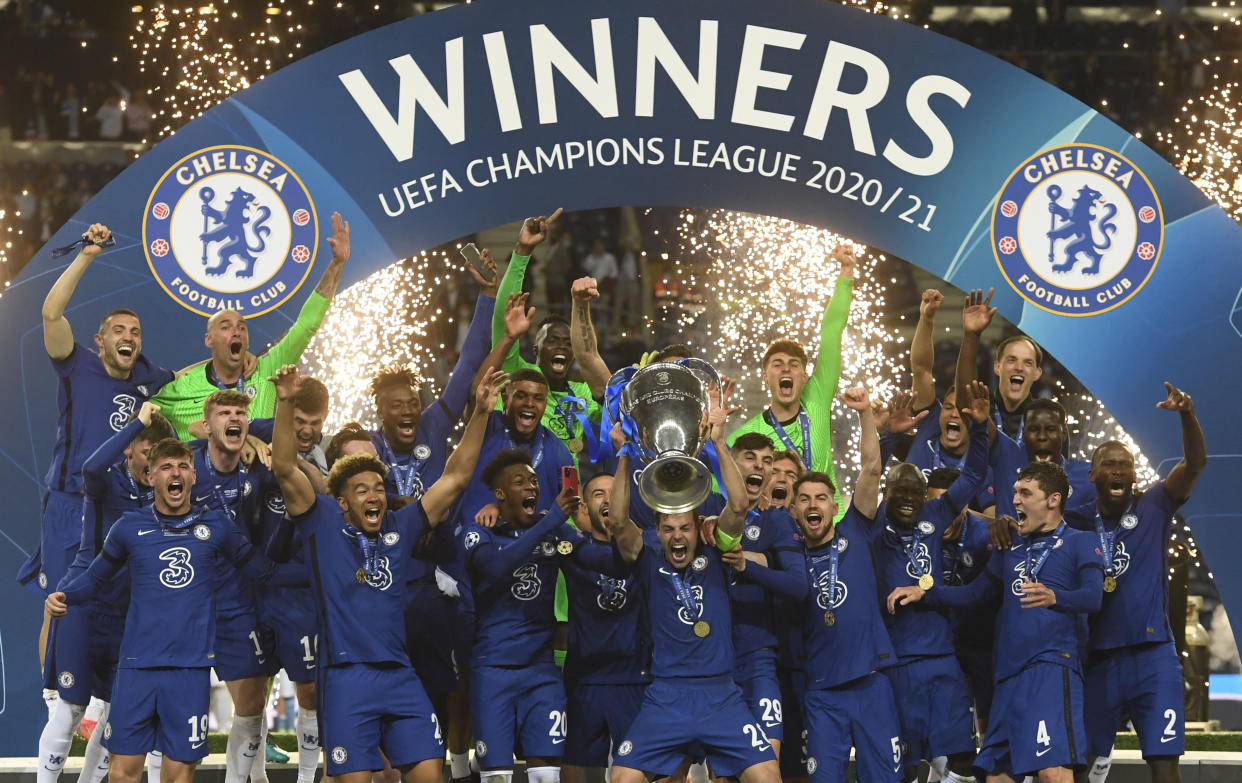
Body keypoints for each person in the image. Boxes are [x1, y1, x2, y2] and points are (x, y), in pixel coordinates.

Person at [268, 364, 507, 783]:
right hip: (346, 678)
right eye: (361, 490)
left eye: (378, 487)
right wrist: (286, 401)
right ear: (341, 501)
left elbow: (455, 476)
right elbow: (285, 467)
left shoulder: (402, 526)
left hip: (400, 674)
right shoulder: (321, 521)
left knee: (429, 775)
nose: (374, 495)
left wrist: (481, 413)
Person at [45, 438, 279, 783]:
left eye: (183, 466)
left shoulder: (216, 526)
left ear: (194, 476)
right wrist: (65, 596)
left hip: (190, 670)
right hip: (136, 668)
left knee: (178, 777)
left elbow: (262, 570)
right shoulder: (127, 527)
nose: (176, 473)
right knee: (123, 774)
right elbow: (96, 577)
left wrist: (313, 575)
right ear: (151, 476)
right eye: (167, 467)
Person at [29, 222, 174, 711]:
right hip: (69, 504)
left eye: (134, 332)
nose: (128, 337)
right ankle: (56, 701)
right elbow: (50, 312)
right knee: (62, 599)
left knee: (115, 599)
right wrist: (87, 256)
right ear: (100, 340)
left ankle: (105, 707)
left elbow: (193, 381)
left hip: (117, 506)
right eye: (118, 330)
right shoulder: (75, 362)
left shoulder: (148, 379)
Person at [604, 388, 781, 783]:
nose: (677, 536)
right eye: (668, 529)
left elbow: (738, 506)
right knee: (621, 779)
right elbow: (616, 523)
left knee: (769, 776)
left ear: (697, 528)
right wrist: (622, 456)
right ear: (658, 530)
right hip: (666, 696)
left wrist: (719, 440)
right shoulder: (648, 551)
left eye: (684, 527)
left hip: (722, 695)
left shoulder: (716, 545)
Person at [889, 462, 1104, 783]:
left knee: (1052, 771)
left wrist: (1055, 597)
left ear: (1053, 499)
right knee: (995, 775)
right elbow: (975, 594)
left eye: (1025, 493)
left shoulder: (1080, 541)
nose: (1015, 500)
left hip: (1050, 668)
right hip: (1007, 676)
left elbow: (1093, 597)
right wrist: (925, 592)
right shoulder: (1011, 548)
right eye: (1015, 492)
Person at [36, 402, 173, 783]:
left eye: (160, 455)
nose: (153, 463)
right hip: (85, 607)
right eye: (147, 451)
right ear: (129, 447)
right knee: (70, 710)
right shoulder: (106, 481)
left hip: (128, 619)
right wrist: (137, 425)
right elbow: (91, 467)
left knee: (118, 716)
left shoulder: (166, 496)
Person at [1081, 384, 1205, 783]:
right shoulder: (1074, 519)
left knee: (1165, 766)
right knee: (1080, 766)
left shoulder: (1153, 504)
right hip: (1098, 659)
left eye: (1126, 464)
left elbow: (1195, 462)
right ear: (1092, 475)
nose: (1118, 470)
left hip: (1155, 659)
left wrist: (1187, 414)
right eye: (1109, 464)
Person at [875, 379, 991, 783]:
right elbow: (869, 474)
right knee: (904, 768)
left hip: (942, 659)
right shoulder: (873, 529)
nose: (908, 497)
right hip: (896, 663)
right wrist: (889, 437)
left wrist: (979, 427)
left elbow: (975, 474)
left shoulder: (935, 515)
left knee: (961, 759)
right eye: (899, 491)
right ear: (886, 493)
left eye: (915, 491)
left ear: (925, 495)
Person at [788, 387, 904, 783]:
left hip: (872, 681)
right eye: (804, 500)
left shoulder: (855, 528)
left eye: (822, 498)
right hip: (821, 692)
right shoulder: (787, 555)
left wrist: (865, 413)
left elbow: (871, 469)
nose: (813, 505)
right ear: (794, 511)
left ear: (835, 506)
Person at [152, 212, 351, 439]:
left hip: (258, 473)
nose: (236, 330)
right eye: (225, 327)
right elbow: (134, 407)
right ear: (209, 340)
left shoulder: (267, 370)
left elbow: (306, 325)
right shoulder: (180, 387)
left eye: (242, 326)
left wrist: (337, 264)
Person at [460, 449, 591, 783]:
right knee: (498, 777)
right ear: (500, 494)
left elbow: (594, 558)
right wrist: (549, 523)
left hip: (542, 670)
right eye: (519, 482)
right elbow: (496, 567)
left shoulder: (553, 530)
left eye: (533, 480)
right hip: (492, 671)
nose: (531, 486)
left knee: (547, 775)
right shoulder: (479, 532)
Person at [728, 243, 855, 520]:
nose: (786, 369)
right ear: (765, 376)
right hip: (780, 536)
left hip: (833, 526)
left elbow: (832, 330)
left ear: (805, 377)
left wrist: (846, 272)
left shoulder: (817, 398)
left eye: (794, 365)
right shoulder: (747, 437)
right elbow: (720, 489)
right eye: (777, 365)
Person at [559, 472, 650, 783]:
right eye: (599, 494)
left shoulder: (646, 547)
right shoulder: (570, 549)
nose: (609, 499)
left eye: (616, 492)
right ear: (584, 506)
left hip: (634, 678)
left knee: (640, 771)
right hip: (585, 679)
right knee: (575, 767)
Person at [492, 209, 604, 458]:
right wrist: (523, 251)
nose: (562, 347)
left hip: (568, 495)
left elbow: (614, 404)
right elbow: (503, 320)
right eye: (552, 341)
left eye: (567, 343)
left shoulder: (582, 394)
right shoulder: (517, 379)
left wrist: (581, 306)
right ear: (536, 350)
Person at [724, 431, 807, 763]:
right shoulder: (709, 506)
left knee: (767, 761)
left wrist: (750, 565)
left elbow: (799, 586)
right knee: (726, 767)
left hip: (759, 654)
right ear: (731, 462)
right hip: (711, 659)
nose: (759, 466)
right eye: (750, 458)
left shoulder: (776, 521)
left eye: (767, 461)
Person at [896, 289, 996, 516]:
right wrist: (926, 318)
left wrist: (948, 511)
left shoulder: (980, 463)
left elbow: (993, 521)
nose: (953, 414)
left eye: (961, 412)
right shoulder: (929, 423)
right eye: (948, 408)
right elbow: (921, 369)